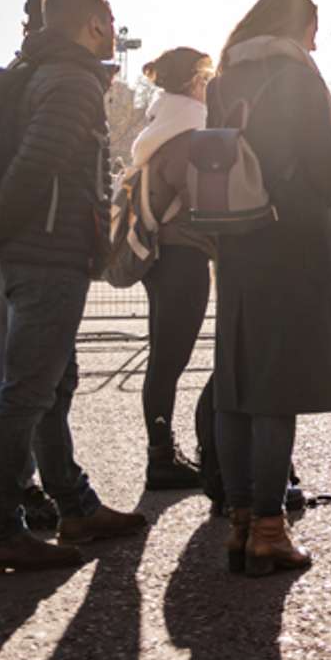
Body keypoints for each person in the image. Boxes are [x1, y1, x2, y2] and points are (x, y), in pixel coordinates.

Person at [0, 0, 145, 574]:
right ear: (92, 26)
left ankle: (75, 505)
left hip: (34, 251)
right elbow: (36, 164)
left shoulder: (40, 73)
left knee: (52, 388)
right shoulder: (71, 83)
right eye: (111, 20)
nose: (115, 30)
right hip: (47, 254)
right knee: (28, 394)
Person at [206, 0, 331, 577]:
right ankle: (271, 530)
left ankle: (240, 522)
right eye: (313, 27)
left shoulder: (224, 79)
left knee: (236, 381)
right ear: (296, 25)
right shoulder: (297, 79)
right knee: (276, 390)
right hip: (292, 242)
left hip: (236, 240)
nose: (316, 41)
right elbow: (326, 171)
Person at [127, 47, 218, 493]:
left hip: (161, 256)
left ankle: (160, 452)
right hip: (184, 253)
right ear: (194, 83)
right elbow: (204, 200)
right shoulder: (190, 134)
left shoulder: (161, 127)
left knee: (163, 358)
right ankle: (161, 458)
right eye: (206, 79)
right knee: (170, 360)